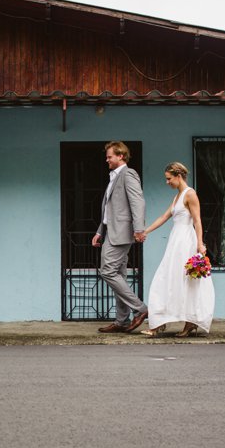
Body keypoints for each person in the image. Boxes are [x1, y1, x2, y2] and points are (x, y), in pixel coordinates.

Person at [140, 162, 215, 337]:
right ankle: (159, 322)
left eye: (169, 178)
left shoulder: (190, 194)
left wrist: (200, 243)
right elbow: (164, 217)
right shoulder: (177, 197)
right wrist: (146, 232)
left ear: (178, 176)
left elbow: (197, 221)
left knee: (186, 281)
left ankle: (189, 323)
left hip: (186, 243)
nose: (167, 182)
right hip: (175, 243)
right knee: (167, 279)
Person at [91, 141, 150, 333]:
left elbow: (137, 202)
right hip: (111, 232)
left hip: (122, 234)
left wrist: (139, 229)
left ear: (121, 156)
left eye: (109, 156)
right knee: (120, 276)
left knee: (107, 271)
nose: (106, 159)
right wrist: (100, 231)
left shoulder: (128, 174)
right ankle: (122, 321)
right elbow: (110, 210)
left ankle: (140, 309)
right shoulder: (114, 177)